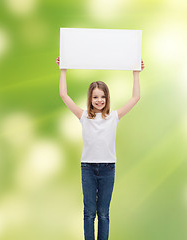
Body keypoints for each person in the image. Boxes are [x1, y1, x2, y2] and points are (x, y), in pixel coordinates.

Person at [56, 56, 145, 240]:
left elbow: (135, 97)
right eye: (95, 97)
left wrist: (136, 73)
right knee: (89, 213)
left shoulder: (114, 116)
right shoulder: (83, 117)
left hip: (107, 168)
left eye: (103, 96)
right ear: (90, 99)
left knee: (103, 213)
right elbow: (64, 95)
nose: (99, 100)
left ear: (107, 98)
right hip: (88, 168)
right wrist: (63, 69)